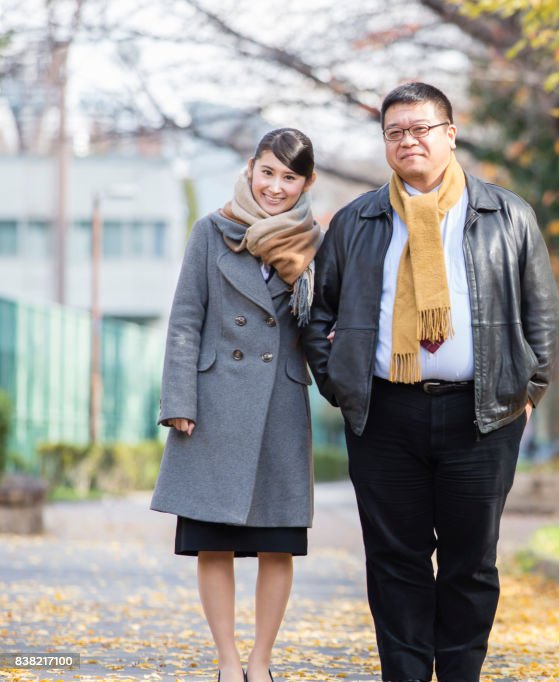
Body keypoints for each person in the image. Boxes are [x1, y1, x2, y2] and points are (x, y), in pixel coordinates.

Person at [302, 82, 559, 682]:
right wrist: (339, 384)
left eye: (421, 128)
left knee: (473, 564)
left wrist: (528, 394)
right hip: (385, 416)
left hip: (483, 415)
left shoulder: (508, 214)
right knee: (396, 563)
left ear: (450, 134)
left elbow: (541, 314)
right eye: (396, 132)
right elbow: (320, 313)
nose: (408, 140)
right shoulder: (357, 220)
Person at [151, 128, 321, 682]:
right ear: (251, 168)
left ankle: (261, 661)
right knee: (212, 544)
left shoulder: (314, 243)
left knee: (278, 543)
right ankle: (227, 661)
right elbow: (184, 320)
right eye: (268, 171)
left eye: (289, 177)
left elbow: (325, 326)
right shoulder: (211, 231)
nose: (275, 186)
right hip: (215, 403)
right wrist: (179, 397)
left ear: (306, 183)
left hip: (279, 405)